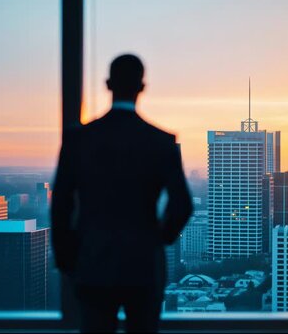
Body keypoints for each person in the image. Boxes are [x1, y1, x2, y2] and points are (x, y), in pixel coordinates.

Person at [51, 54, 193, 333]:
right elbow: (182, 206)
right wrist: (158, 238)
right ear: (142, 87)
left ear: (108, 84)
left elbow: (61, 206)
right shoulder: (161, 142)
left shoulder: (79, 140)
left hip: (92, 263)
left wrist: (67, 259)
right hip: (143, 266)